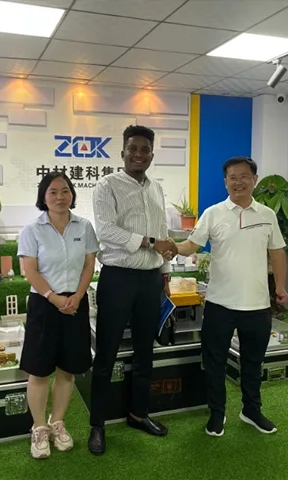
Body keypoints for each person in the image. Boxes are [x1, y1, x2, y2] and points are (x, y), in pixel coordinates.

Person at [176, 156, 288, 437]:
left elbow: (277, 252)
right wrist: (170, 247)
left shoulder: (267, 215)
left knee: (253, 363)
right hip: (220, 304)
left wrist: (281, 287)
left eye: (244, 176)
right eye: (232, 177)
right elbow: (191, 245)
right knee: (214, 363)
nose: (238, 182)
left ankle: (251, 410)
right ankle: (217, 413)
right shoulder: (213, 213)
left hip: (257, 304)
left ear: (255, 180)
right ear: (225, 182)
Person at [88, 125, 178, 455]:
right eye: (133, 149)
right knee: (106, 353)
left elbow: (163, 231)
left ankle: (139, 414)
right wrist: (151, 243)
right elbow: (106, 231)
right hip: (118, 279)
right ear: (123, 152)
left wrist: (165, 275)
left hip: (151, 280)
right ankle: (97, 424)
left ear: (152, 155)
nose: (138, 154)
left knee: (145, 351)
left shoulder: (156, 188)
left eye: (145, 150)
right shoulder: (107, 185)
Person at [17, 171, 99, 459]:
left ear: (72, 194)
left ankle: (58, 422)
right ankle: (39, 428)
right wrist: (54, 297)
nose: (60, 197)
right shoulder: (32, 230)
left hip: (75, 304)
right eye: (53, 192)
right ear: (43, 196)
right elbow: (30, 270)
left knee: (68, 369)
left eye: (65, 191)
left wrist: (77, 296)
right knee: (39, 371)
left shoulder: (84, 226)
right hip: (44, 305)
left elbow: (89, 265)